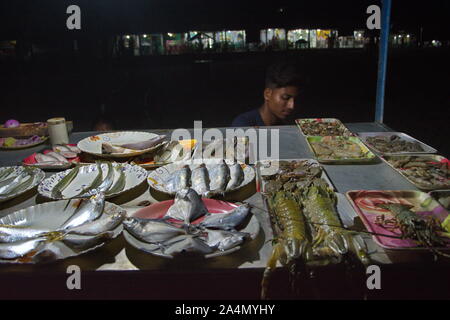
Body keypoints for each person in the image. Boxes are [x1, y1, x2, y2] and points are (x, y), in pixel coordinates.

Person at [231, 61, 303, 127]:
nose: (292, 106)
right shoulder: (243, 124)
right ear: (267, 94)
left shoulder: (286, 127)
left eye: (295, 99)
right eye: (285, 98)